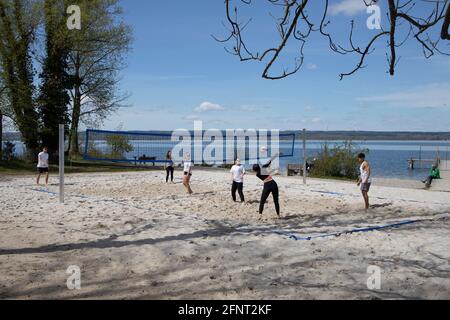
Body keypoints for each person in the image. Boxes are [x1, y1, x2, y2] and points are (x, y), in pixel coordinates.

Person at [253, 153, 280, 218]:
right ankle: (278, 215)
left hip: (267, 185)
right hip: (273, 183)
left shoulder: (257, 175)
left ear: (254, 170)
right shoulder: (263, 168)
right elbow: (269, 162)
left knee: (262, 201)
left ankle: (260, 215)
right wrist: (276, 155)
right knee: (276, 201)